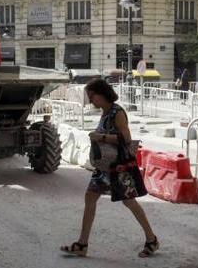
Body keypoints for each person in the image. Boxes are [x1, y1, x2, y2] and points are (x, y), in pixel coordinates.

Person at [60, 79, 159, 259]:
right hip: (104, 168)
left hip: (119, 167)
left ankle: (151, 239)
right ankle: (82, 244)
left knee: (129, 202)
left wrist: (101, 137)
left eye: (92, 96)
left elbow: (126, 138)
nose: (91, 100)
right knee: (90, 197)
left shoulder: (117, 112)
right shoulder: (106, 112)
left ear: (102, 93)